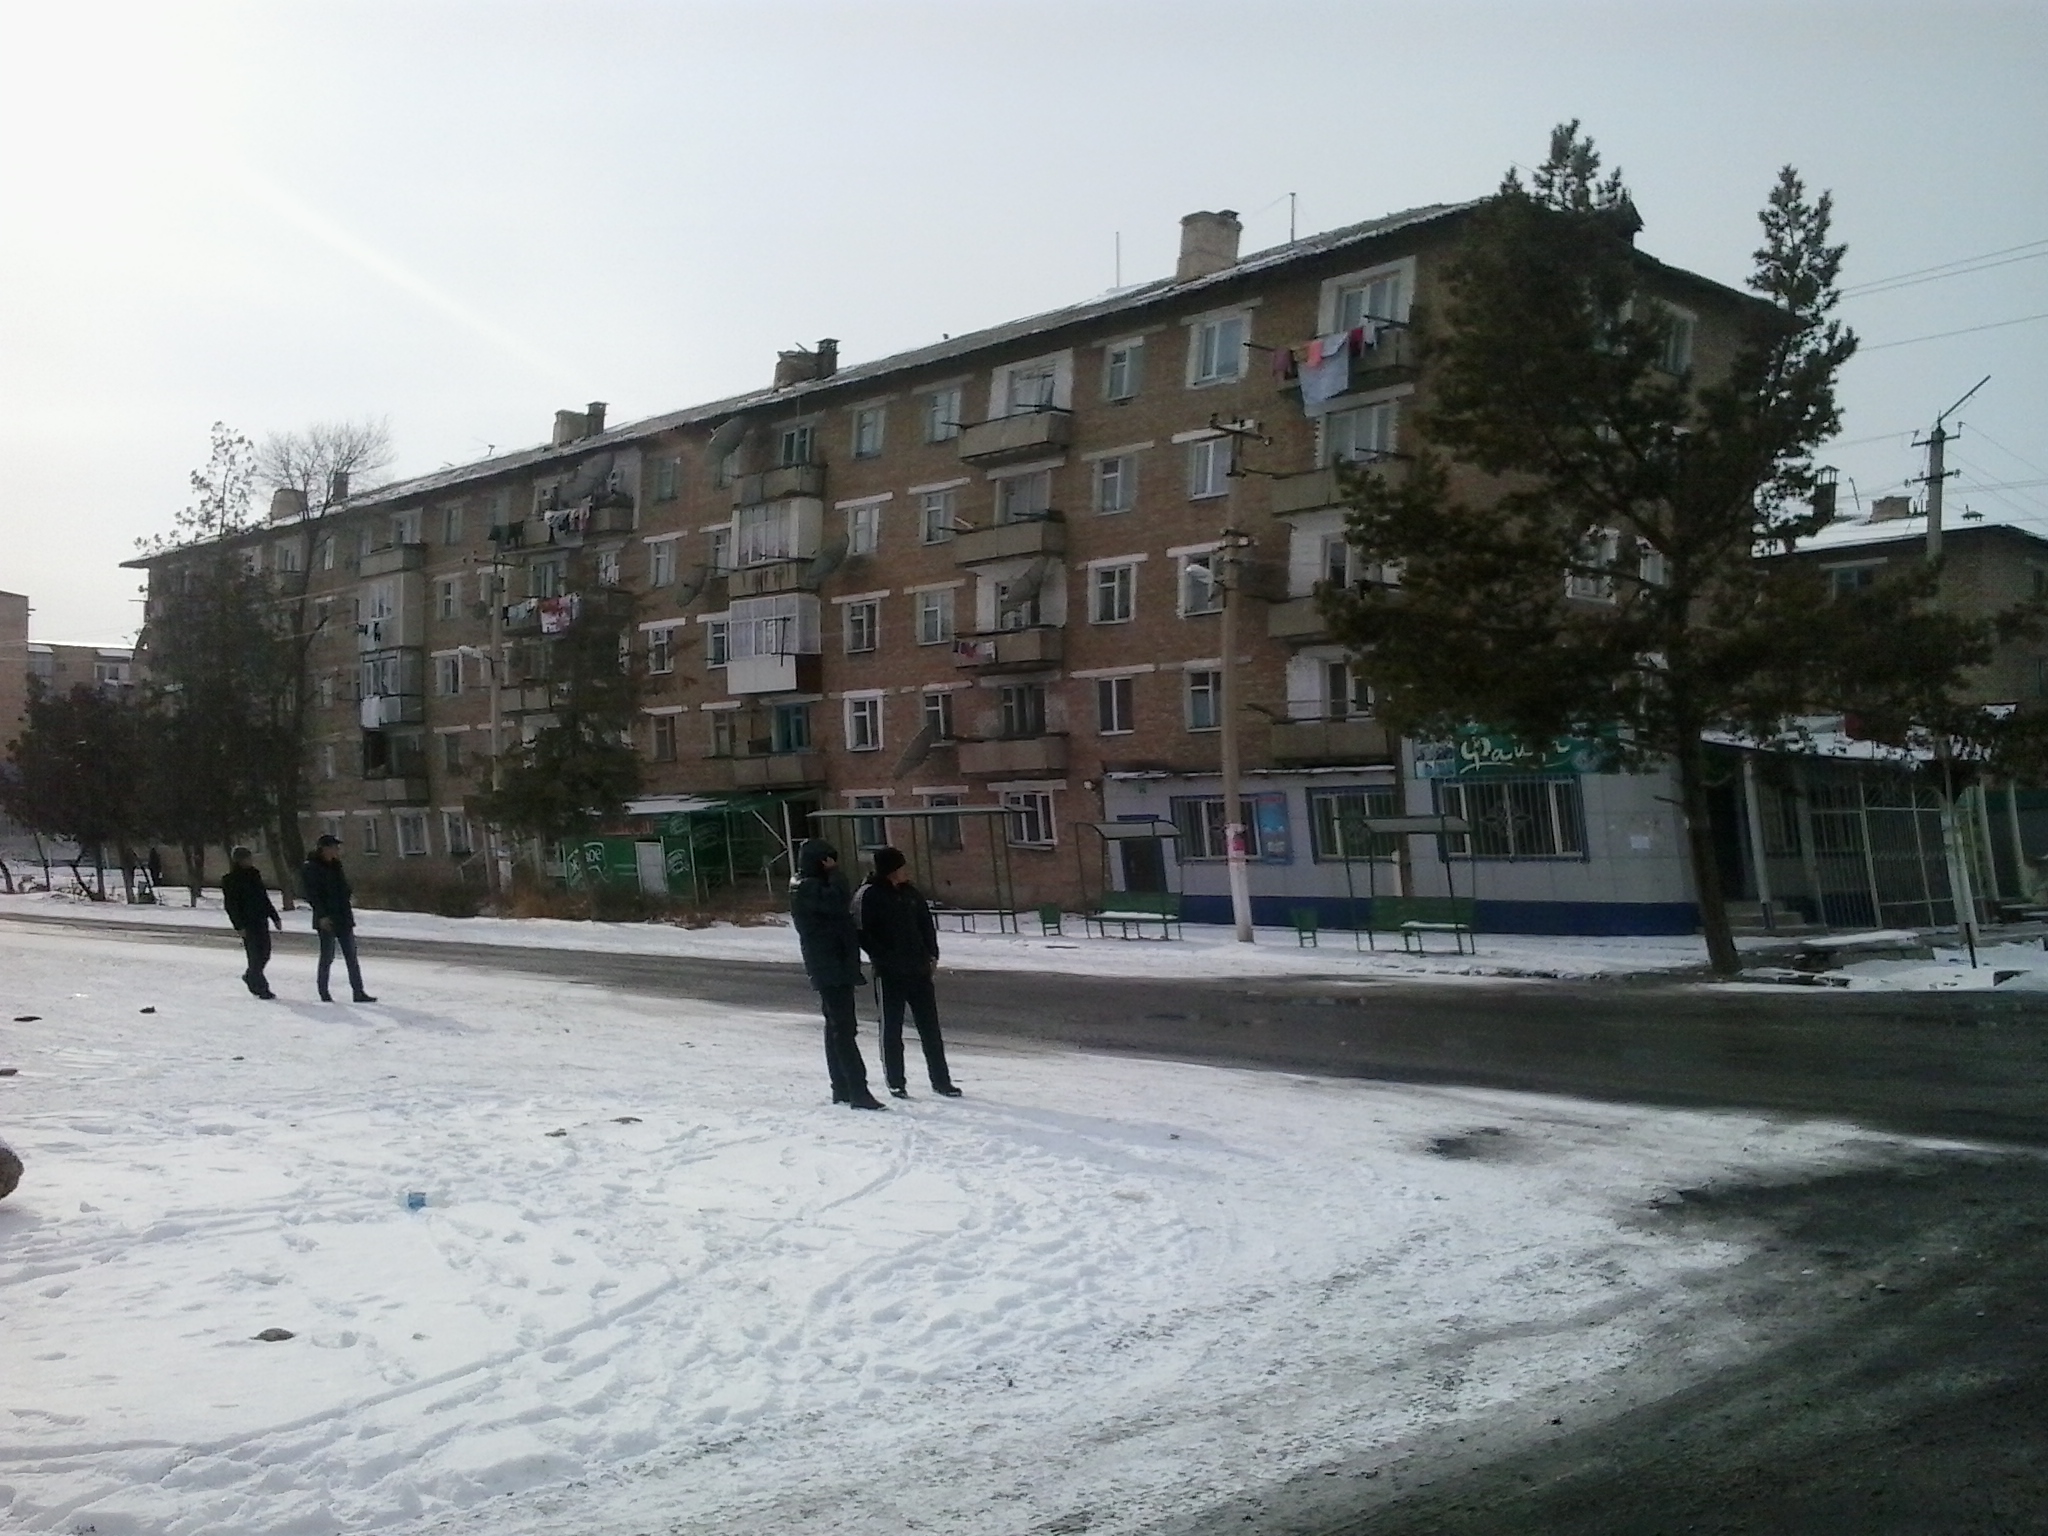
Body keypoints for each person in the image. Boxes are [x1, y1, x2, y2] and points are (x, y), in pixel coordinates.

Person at [855, 847, 961, 1099]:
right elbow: (862, 933)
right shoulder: (869, 895)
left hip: (919, 970)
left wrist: (932, 954)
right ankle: (896, 1081)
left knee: (930, 1029)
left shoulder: (911, 893)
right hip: (889, 973)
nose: (905, 871)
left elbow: (926, 925)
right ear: (891, 870)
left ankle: (941, 1081)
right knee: (891, 1029)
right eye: (901, 867)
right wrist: (884, 958)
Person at [790, 837, 883, 1110]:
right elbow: (838, 902)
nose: (833, 864)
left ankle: (842, 1087)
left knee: (837, 1026)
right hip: (829, 964)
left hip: (834, 962)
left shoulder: (810, 885)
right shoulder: (806, 887)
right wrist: (836, 874)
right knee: (843, 1029)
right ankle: (856, 1089)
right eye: (828, 860)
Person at [300, 834, 376, 1003]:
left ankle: (358, 992)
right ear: (324, 849)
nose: (337, 850)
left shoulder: (336, 865)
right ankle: (324, 992)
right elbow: (312, 895)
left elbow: (342, 887)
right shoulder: (311, 867)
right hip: (326, 918)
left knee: (351, 956)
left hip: (343, 915)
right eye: (334, 847)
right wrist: (322, 915)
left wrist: (348, 895)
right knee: (327, 956)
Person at [221, 845, 284, 999]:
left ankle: (250, 976)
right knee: (255, 956)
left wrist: (274, 917)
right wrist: (239, 925)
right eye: (246, 858)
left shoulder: (254, 875)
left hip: (260, 919)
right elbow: (231, 905)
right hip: (247, 923)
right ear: (238, 860)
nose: (250, 861)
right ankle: (261, 988)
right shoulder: (230, 879)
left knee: (265, 953)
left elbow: (263, 898)